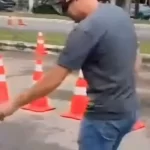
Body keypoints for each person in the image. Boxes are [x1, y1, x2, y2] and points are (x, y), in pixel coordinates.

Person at [0, 0, 141, 150]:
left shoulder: (87, 29)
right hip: (128, 111)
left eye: (63, 7)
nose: (66, 14)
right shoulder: (119, 14)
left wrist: (14, 104)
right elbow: (136, 57)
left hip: (103, 118)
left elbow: (55, 78)